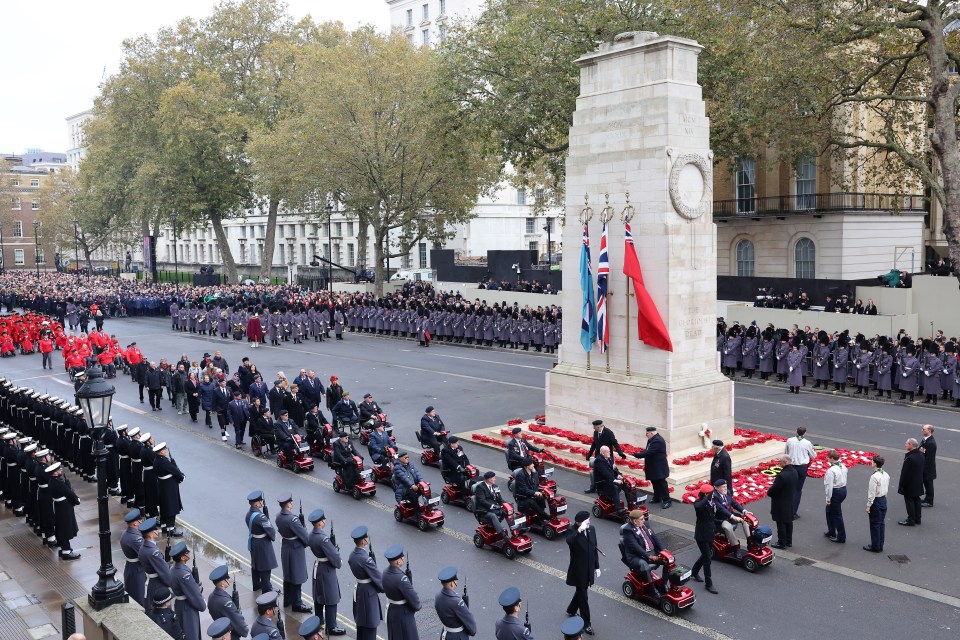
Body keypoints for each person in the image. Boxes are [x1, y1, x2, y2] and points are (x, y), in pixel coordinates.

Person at [307, 508, 345, 636]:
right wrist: (337, 555)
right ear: (320, 523)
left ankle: (319, 622)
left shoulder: (312, 535)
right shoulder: (323, 538)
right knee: (331, 598)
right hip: (326, 569)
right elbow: (334, 558)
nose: (325, 521)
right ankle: (331, 626)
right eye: (323, 520)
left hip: (318, 567)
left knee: (318, 597)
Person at [276, 492, 313, 613]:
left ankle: (287, 600)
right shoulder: (292, 519)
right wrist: (303, 526)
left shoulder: (278, 516)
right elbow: (306, 539)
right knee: (297, 576)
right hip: (295, 548)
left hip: (286, 547)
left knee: (288, 575)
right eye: (290, 502)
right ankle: (297, 603)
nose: (292, 504)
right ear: (287, 504)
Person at [565, 512, 598, 635]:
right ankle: (586, 622)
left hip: (588, 567)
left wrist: (597, 566)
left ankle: (571, 609)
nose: (589, 522)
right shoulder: (572, 531)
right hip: (578, 570)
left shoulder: (592, 529)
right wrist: (579, 530)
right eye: (586, 521)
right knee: (583, 595)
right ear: (579, 522)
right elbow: (569, 541)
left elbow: (594, 547)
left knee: (581, 590)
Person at [347, 526, 383, 640]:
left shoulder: (352, 555)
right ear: (363, 541)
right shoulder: (366, 559)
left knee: (361, 625)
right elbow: (380, 580)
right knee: (370, 626)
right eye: (366, 537)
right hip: (368, 593)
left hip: (359, 590)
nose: (367, 538)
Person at [620, 509, 665, 599]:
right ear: (635, 521)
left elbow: (655, 538)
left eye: (643, 518)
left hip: (651, 552)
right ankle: (652, 590)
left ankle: (663, 584)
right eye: (641, 519)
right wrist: (649, 556)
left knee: (668, 561)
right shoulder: (628, 530)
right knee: (644, 565)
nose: (644, 520)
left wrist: (663, 550)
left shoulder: (646, 524)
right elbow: (636, 547)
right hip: (636, 556)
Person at [382, 544, 421, 640]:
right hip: (404, 615)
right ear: (397, 561)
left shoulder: (385, 572)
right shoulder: (401, 578)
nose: (403, 557)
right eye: (401, 557)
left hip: (392, 611)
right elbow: (415, 602)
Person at [170, 541, 207, 640]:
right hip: (187, 607)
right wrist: (203, 603)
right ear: (182, 557)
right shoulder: (183, 574)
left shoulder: (173, 569)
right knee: (191, 633)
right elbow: (194, 593)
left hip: (180, 604)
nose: (188, 553)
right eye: (186, 552)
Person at [46, 461, 81, 559]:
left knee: (61, 527)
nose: (61, 470)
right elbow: (68, 492)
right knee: (65, 528)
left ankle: (64, 548)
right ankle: (66, 551)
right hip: (64, 507)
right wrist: (76, 499)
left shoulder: (52, 481)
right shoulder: (58, 483)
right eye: (59, 469)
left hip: (59, 506)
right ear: (55, 472)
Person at [245, 490, 278, 594]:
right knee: (265, 567)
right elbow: (271, 531)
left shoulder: (249, 514)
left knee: (256, 565)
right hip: (263, 544)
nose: (261, 503)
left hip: (254, 542)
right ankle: (267, 589)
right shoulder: (260, 517)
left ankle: (256, 585)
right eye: (260, 501)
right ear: (256, 503)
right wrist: (267, 518)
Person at [138, 517, 173, 613]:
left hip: (152, 583)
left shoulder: (144, 547)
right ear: (151, 533)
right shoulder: (153, 552)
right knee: (164, 612)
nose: (157, 531)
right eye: (155, 530)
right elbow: (165, 573)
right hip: (158, 585)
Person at [632, 426, 671, 508]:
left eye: (647, 434)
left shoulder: (657, 441)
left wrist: (637, 455)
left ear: (652, 433)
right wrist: (639, 452)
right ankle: (657, 498)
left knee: (661, 484)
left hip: (659, 467)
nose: (646, 435)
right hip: (654, 466)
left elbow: (649, 452)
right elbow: (647, 450)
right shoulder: (653, 439)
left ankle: (667, 500)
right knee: (655, 482)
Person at [690, 484, 719, 594]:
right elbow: (698, 507)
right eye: (711, 493)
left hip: (710, 533)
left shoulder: (713, 502)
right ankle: (708, 583)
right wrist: (707, 497)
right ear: (706, 494)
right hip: (701, 535)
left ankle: (694, 571)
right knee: (707, 558)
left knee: (706, 555)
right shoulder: (699, 503)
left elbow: (719, 510)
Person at [207, 565, 249, 640]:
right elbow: (235, 617)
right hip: (230, 635)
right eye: (227, 579)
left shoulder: (211, 597)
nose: (229, 580)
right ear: (222, 584)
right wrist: (244, 630)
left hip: (220, 630)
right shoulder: (225, 602)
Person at [434, 566, 476, 640]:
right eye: (455, 581)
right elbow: (472, 628)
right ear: (452, 584)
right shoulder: (457, 602)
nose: (457, 582)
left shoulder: (438, 595)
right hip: (458, 636)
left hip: (445, 633)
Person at [583, 420, 625, 493]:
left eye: (594, 426)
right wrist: (589, 454)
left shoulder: (608, 432)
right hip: (598, 457)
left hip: (607, 457)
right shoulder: (596, 432)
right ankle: (593, 487)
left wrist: (620, 453)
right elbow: (594, 444)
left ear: (598, 426)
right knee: (595, 473)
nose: (593, 428)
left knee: (610, 472)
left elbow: (615, 443)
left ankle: (616, 487)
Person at [784, 426, 816, 519]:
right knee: (797, 490)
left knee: (788, 488)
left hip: (791, 467)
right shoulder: (807, 443)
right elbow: (813, 455)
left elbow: (786, 452)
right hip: (801, 468)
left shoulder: (790, 440)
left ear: (796, 431)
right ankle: (793, 512)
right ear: (805, 433)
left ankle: (785, 508)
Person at [153, 442, 185, 537]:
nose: (165, 451)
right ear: (161, 452)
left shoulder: (156, 460)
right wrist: (182, 477)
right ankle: (170, 529)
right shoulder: (164, 462)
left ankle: (164, 526)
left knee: (164, 507)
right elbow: (175, 471)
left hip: (162, 485)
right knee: (171, 507)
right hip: (169, 487)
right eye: (164, 450)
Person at [767, 455, 799, 549]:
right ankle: (789, 541)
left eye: (779, 461)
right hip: (789, 500)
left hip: (780, 502)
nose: (778, 463)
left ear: (785, 462)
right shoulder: (794, 472)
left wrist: (769, 492)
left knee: (780, 522)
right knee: (789, 521)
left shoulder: (782, 476)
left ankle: (782, 542)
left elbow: (773, 490)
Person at [713, 480, 750, 551]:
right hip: (721, 519)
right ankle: (735, 547)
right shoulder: (714, 497)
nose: (725, 488)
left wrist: (744, 511)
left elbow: (734, 503)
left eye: (726, 486)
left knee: (746, 520)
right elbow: (721, 509)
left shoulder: (727, 492)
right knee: (728, 527)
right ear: (717, 488)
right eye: (723, 487)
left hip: (731, 515)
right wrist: (733, 517)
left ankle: (749, 541)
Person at [474, 471, 511, 540]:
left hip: (493, 509)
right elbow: (482, 501)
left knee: (505, 512)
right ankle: (503, 535)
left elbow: (500, 500)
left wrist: (507, 504)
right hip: (483, 510)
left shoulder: (495, 486)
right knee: (493, 516)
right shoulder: (480, 487)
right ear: (489, 479)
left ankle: (514, 531)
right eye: (494, 478)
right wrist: (493, 506)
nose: (495, 479)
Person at [121, 508, 147, 606]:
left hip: (131, 568)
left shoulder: (127, 533)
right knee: (138, 598)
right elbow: (145, 554)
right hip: (137, 571)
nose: (141, 522)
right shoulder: (135, 538)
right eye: (139, 520)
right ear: (135, 523)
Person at [512, 457, 550, 523]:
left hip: (532, 494)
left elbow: (536, 484)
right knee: (532, 502)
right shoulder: (520, 475)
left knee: (541, 498)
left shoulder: (534, 473)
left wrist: (537, 492)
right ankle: (546, 516)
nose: (533, 465)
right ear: (527, 466)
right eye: (532, 464)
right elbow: (523, 489)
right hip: (523, 497)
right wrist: (534, 493)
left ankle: (540, 517)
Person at [864, 455, 889, 552]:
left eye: (872, 461)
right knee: (881, 524)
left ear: (875, 464)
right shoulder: (886, 474)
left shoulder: (874, 477)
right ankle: (880, 544)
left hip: (876, 501)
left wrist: (868, 505)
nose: (871, 462)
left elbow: (871, 493)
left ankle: (875, 546)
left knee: (874, 524)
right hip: (883, 500)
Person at [898, 438, 925, 526]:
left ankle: (911, 520)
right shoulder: (920, 455)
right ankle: (917, 518)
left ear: (912, 445)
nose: (905, 445)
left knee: (909, 501)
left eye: (907, 443)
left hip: (910, 484)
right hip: (918, 482)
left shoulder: (910, 458)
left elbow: (905, 474)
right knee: (917, 500)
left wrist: (902, 485)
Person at [823, 449, 848, 543]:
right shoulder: (843, 466)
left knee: (837, 514)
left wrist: (828, 498)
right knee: (829, 510)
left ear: (832, 458)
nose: (827, 459)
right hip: (843, 489)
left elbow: (829, 486)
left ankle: (841, 536)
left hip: (835, 492)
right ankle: (831, 530)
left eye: (828, 458)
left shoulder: (831, 470)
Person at [920, 424, 937, 507]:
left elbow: (929, 459)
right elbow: (921, 450)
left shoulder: (931, 443)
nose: (922, 430)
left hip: (928, 469)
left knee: (929, 485)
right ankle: (927, 498)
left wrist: (923, 469)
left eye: (924, 429)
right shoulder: (925, 440)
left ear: (929, 430)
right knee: (927, 484)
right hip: (925, 467)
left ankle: (929, 501)